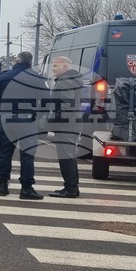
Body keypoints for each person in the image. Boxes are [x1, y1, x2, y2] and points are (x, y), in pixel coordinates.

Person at [0, 51, 48, 199]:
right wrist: (38, 116)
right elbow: (46, 101)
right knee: (27, 155)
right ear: (30, 62)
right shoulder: (37, 79)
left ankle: (3, 185)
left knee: (4, 153)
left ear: (17, 61)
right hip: (28, 119)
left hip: (7, 118)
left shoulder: (3, 77)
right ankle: (26, 188)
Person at [49, 55, 84, 198]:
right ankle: (70, 186)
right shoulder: (71, 80)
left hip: (66, 124)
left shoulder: (65, 82)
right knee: (68, 156)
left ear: (64, 66)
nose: (53, 69)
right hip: (70, 123)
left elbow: (66, 105)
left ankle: (71, 188)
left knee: (66, 157)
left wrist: (56, 121)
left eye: (55, 66)